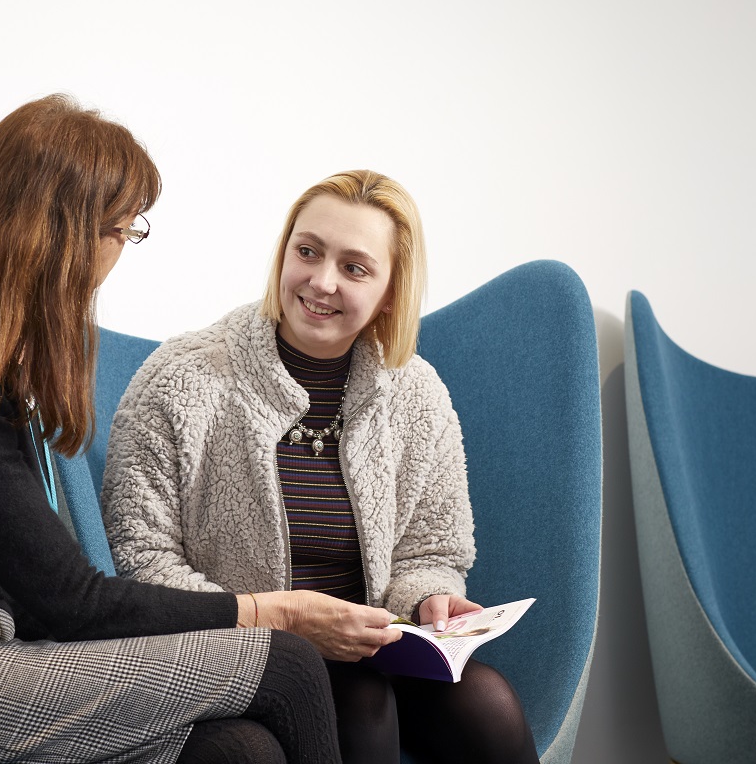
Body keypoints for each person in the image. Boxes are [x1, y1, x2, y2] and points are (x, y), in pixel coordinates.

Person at [0, 96, 396, 764]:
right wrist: (278, 612)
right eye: (121, 230)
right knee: (289, 662)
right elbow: (70, 602)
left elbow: (46, 601)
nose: (122, 251)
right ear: (62, 234)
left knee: (240, 750)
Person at [102, 170, 539, 764]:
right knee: (362, 706)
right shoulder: (180, 379)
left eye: (355, 268)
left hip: (375, 648)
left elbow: (431, 551)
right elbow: (141, 559)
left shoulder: (416, 394)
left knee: (487, 702)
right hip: (241, 652)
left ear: (390, 290)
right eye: (307, 252)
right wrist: (280, 626)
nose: (321, 281)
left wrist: (430, 600)